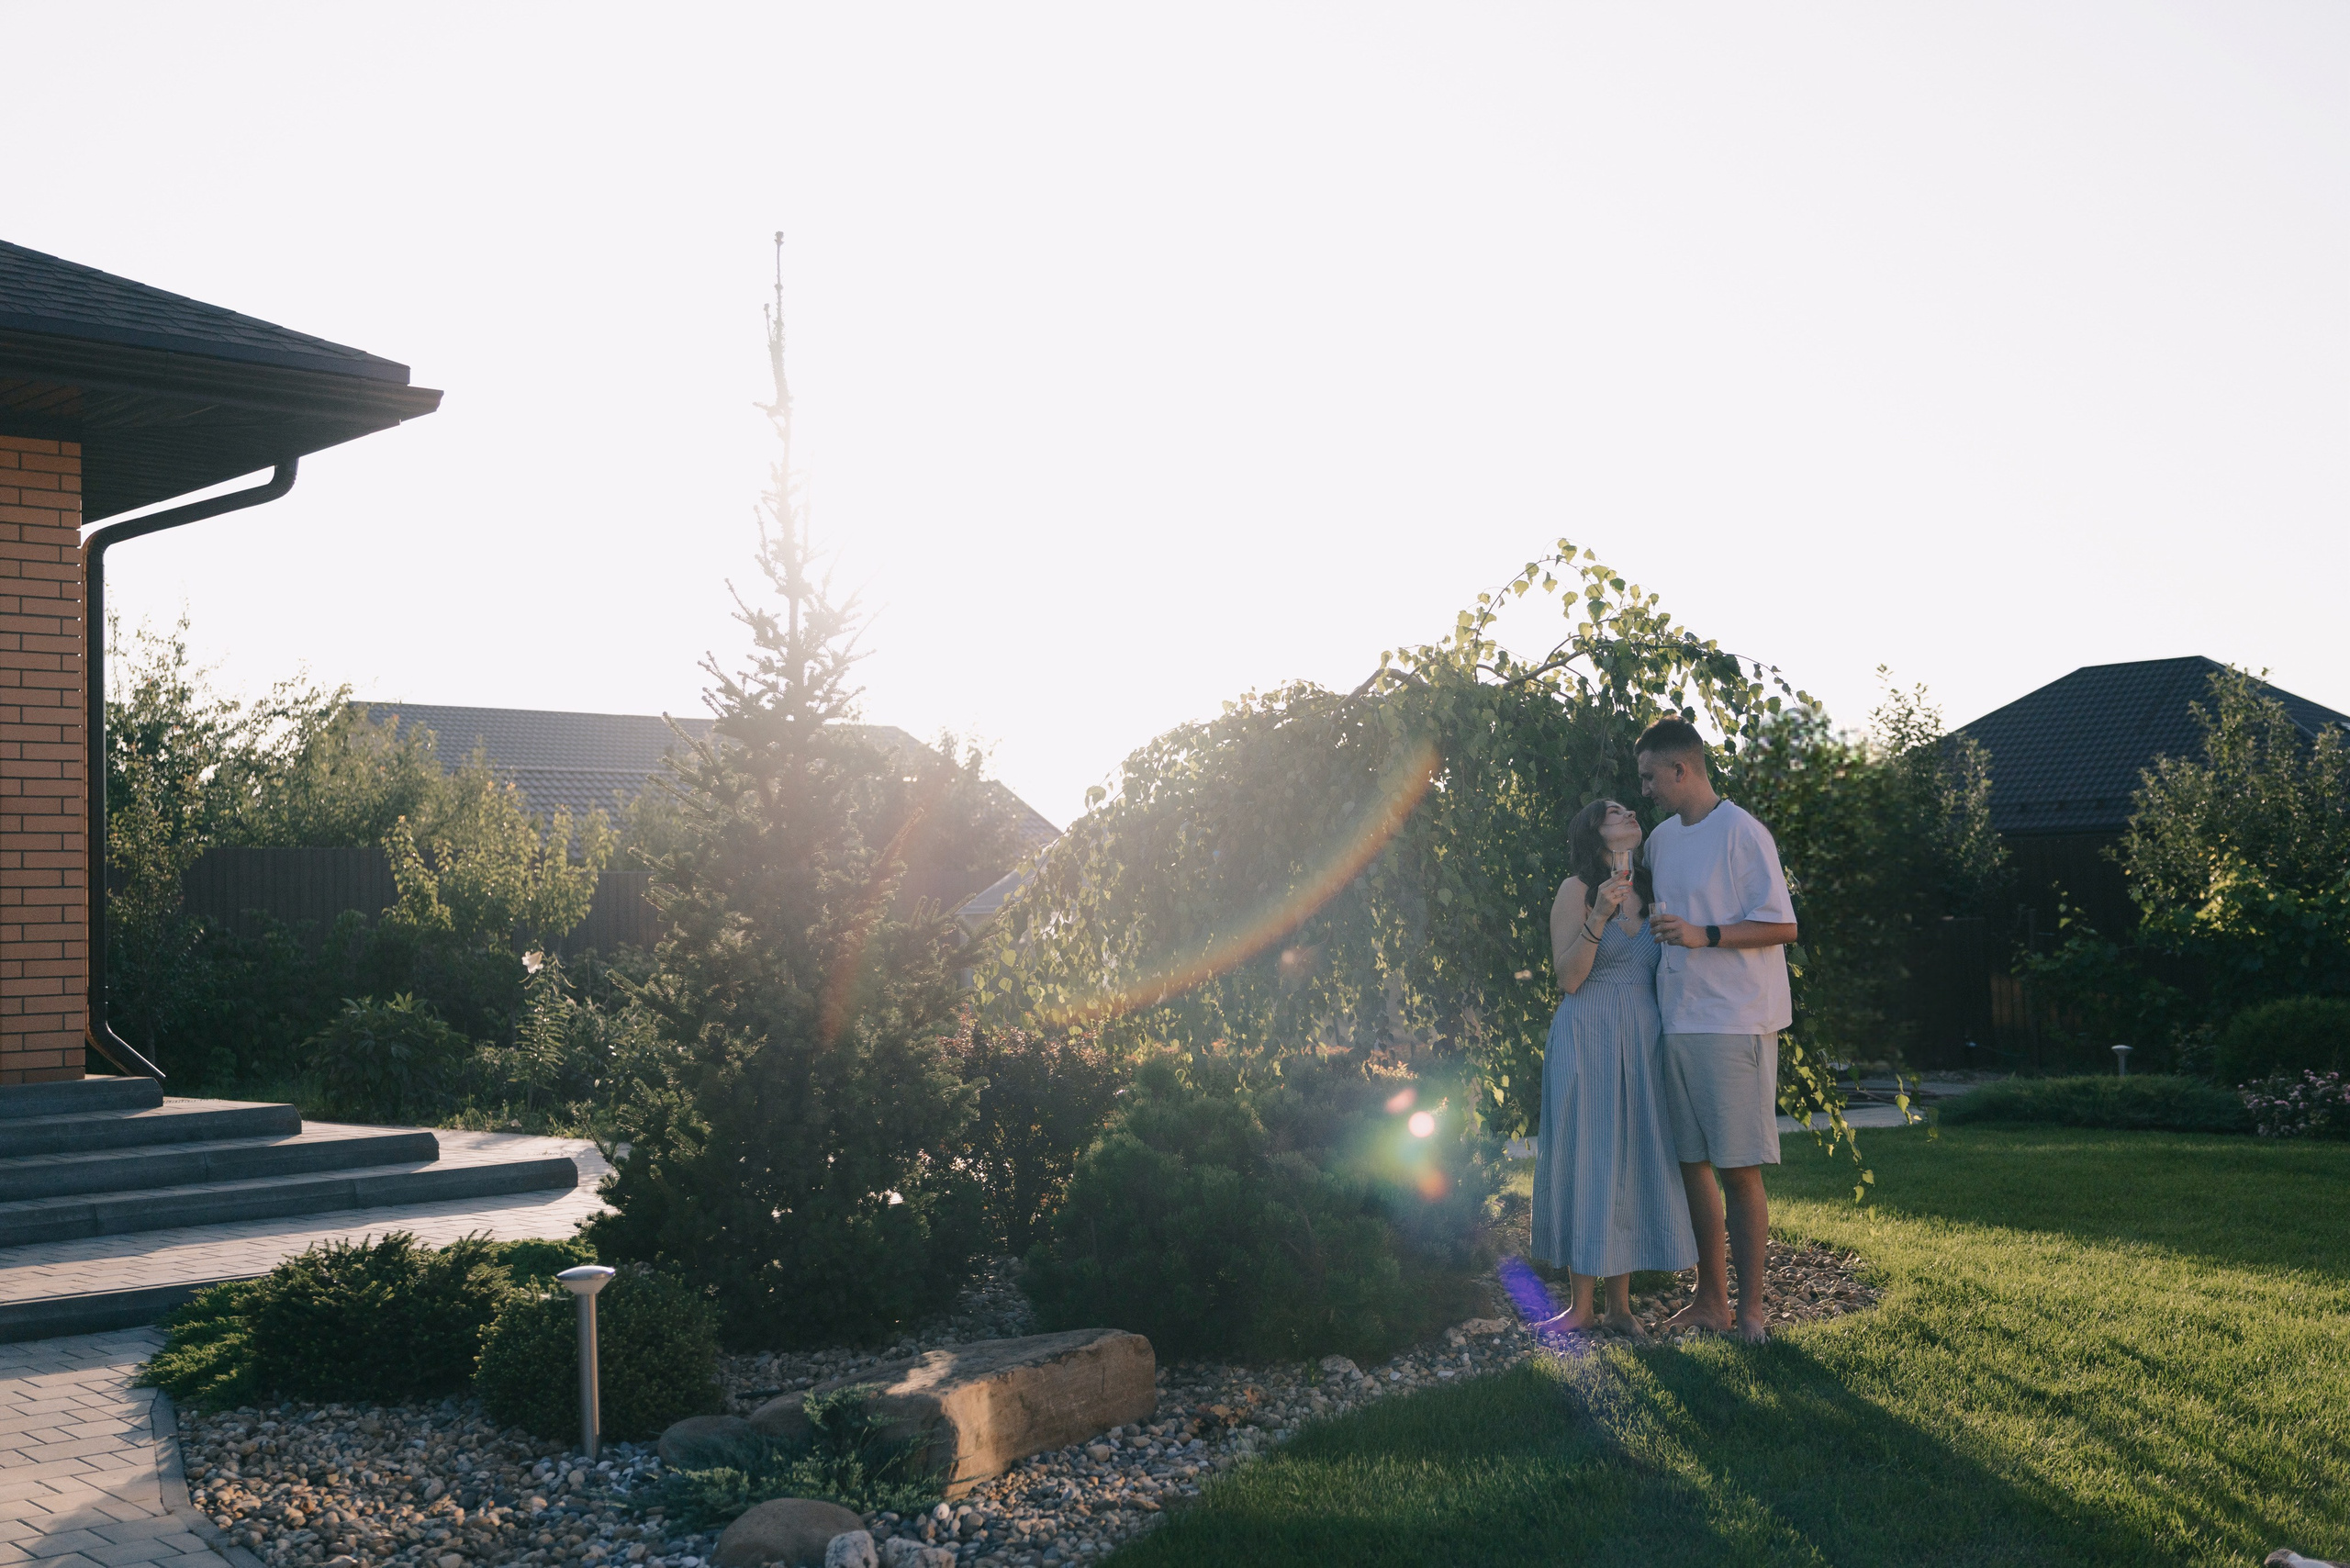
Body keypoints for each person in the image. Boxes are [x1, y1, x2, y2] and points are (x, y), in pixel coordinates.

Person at [1636, 717, 1799, 1345]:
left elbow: (1782, 926)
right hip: (1677, 1019)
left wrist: (1704, 935)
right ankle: (1711, 1302)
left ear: (1683, 769)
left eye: (1652, 776)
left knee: (1739, 1170)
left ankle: (1752, 1312)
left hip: (1734, 1023)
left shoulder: (1742, 832)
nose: (1647, 787)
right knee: (1692, 1164)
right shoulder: (1661, 841)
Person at [1528, 797, 1698, 1337]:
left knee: (1626, 1160)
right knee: (1589, 1156)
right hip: (1587, 1033)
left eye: (1631, 810)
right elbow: (1568, 978)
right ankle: (1580, 1307)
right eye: (1614, 812)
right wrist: (1599, 915)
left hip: (1641, 1040)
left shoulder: (1651, 889)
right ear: (1594, 832)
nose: (1629, 815)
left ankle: (1620, 1309)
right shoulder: (1575, 890)